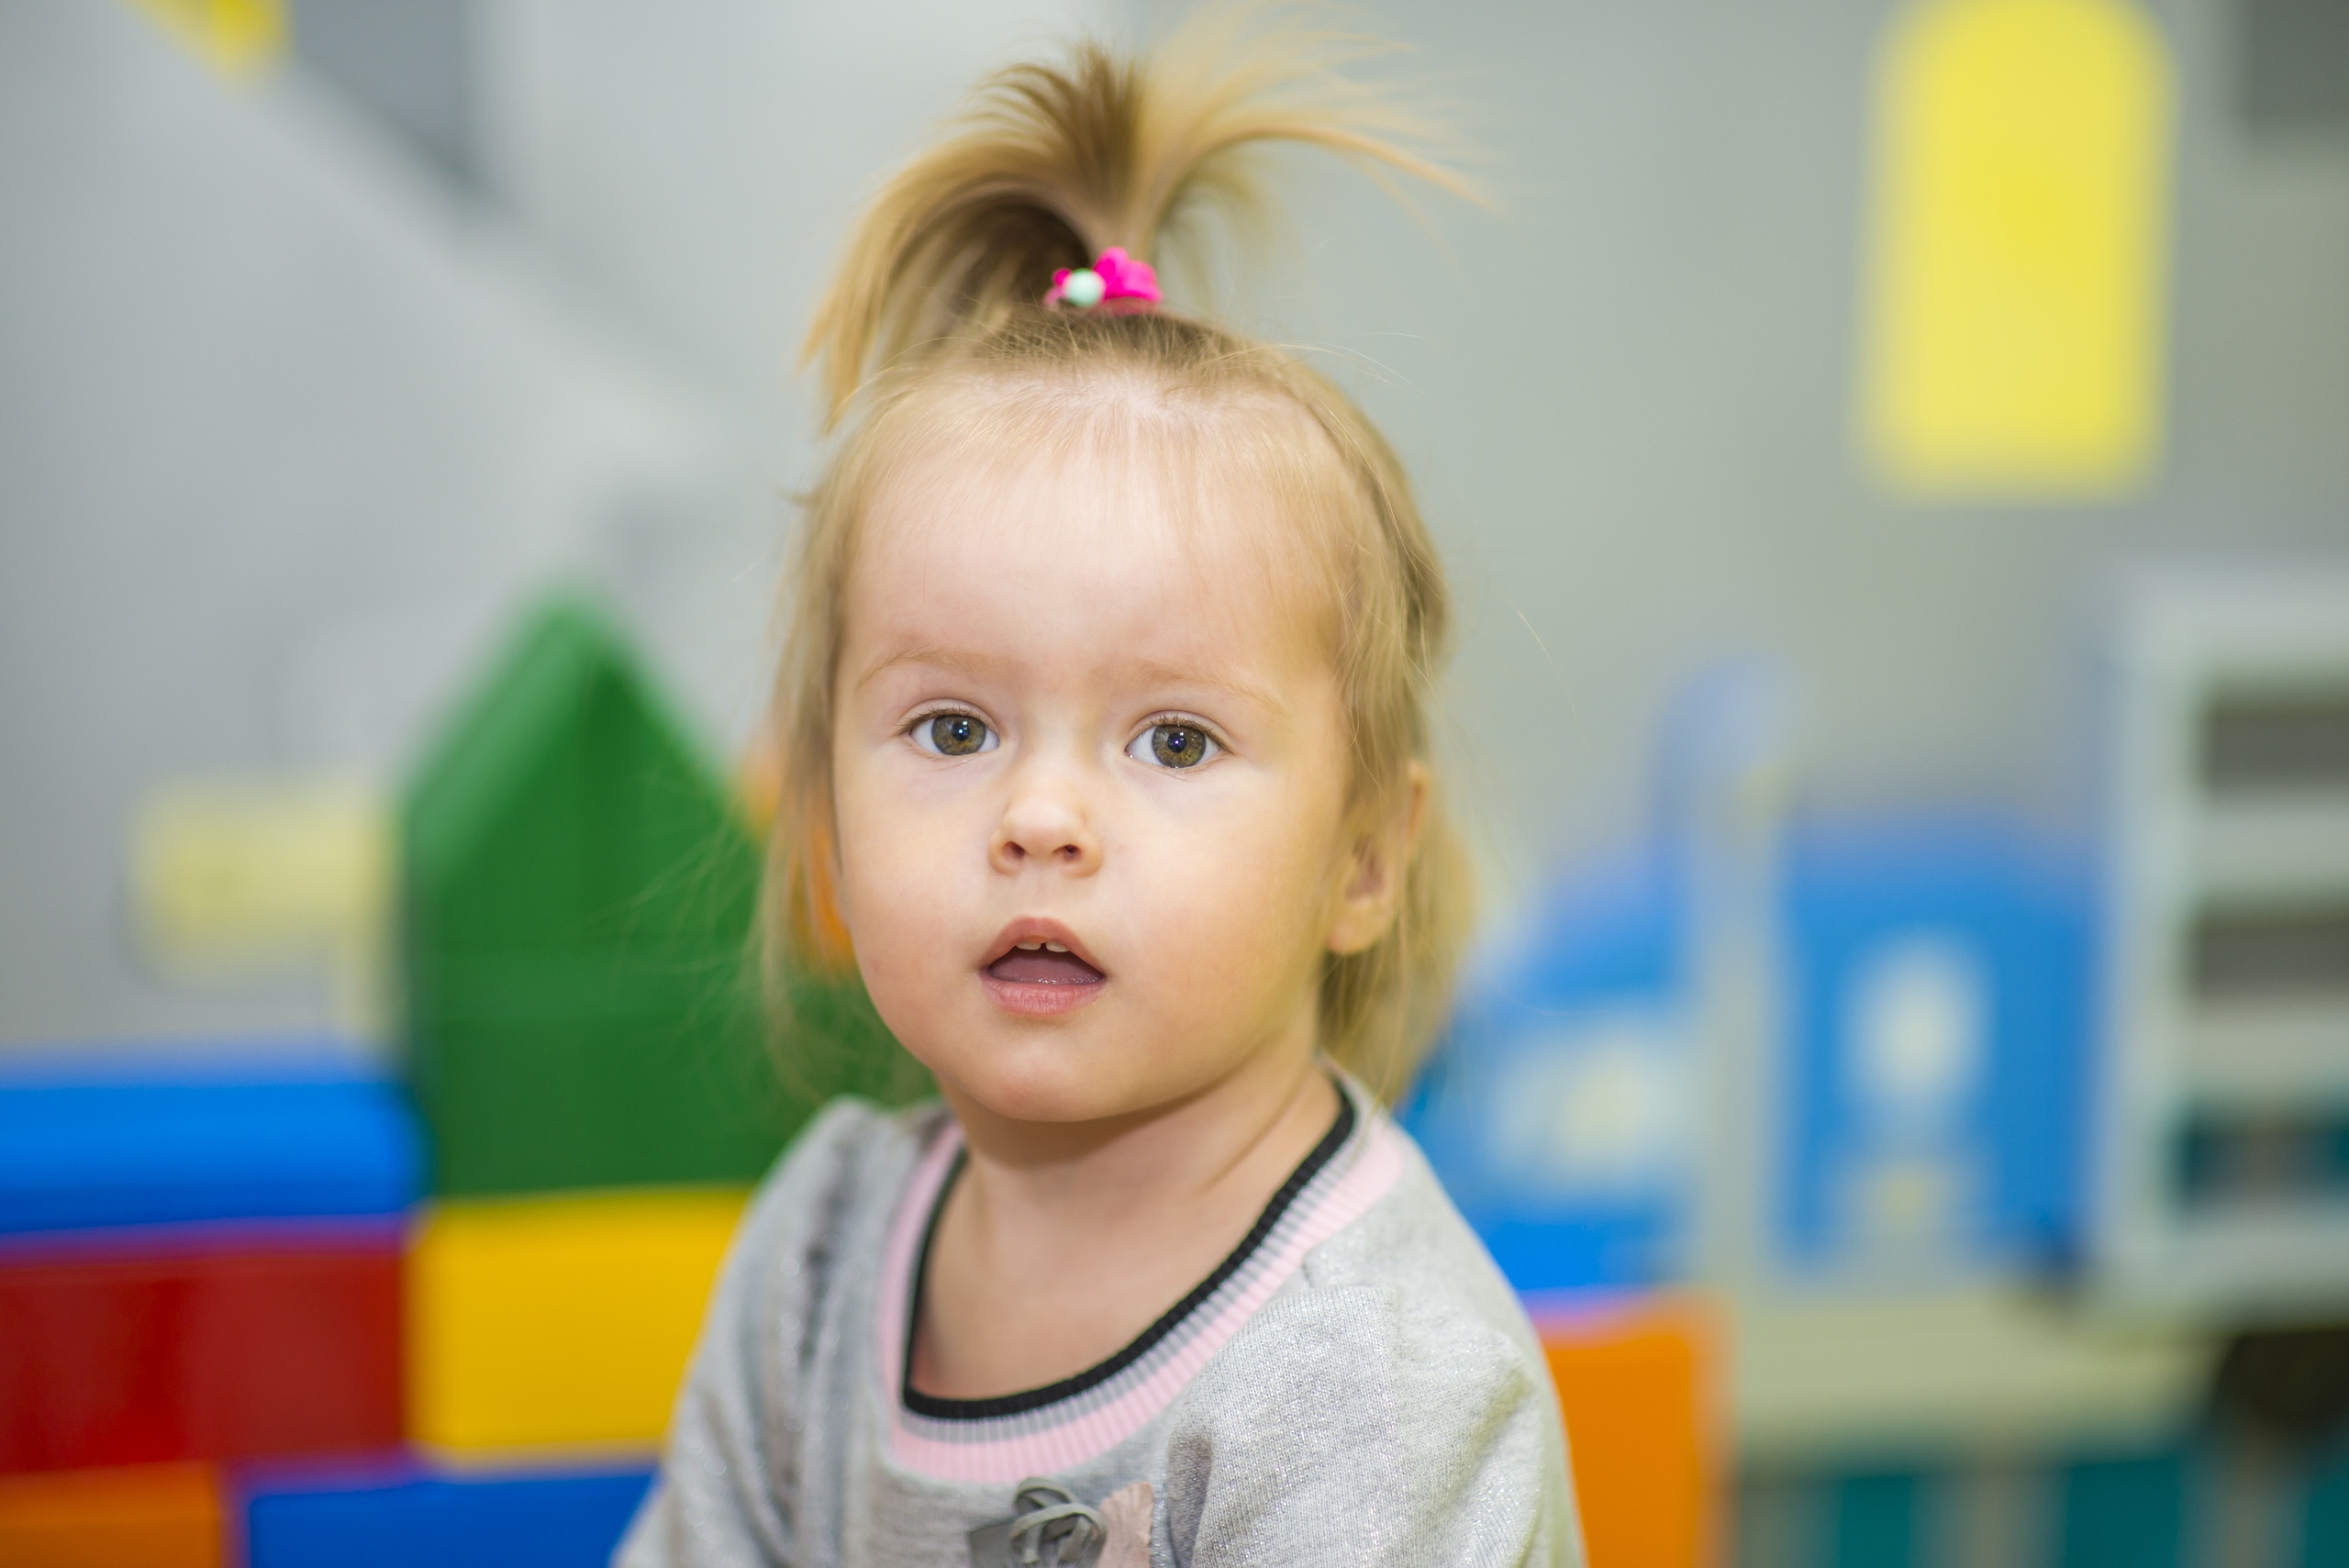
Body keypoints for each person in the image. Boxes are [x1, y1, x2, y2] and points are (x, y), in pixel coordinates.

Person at [617, 12, 1583, 1565]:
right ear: (827, 823)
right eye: (949, 729)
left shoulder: (1371, 1383)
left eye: (1174, 741)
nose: (1040, 818)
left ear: (1360, 860)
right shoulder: (819, 1254)